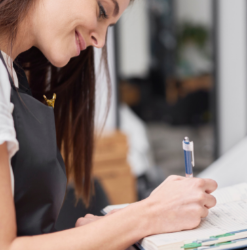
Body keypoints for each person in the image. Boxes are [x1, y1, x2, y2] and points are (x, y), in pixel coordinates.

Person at [0, 0, 217, 249]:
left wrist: (108, 231)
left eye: (109, 26)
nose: (100, 42)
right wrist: (149, 215)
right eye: (102, 11)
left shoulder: (13, 75)